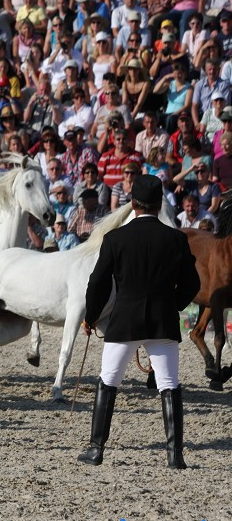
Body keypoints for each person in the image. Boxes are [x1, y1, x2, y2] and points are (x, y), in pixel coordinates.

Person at [81, 174, 200, 469]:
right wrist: (171, 306)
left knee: (108, 381)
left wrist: (91, 316)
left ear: (132, 204)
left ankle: (96, 449)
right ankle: (175, 456)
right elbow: (192, 284)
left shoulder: (115, 238)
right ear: (160, 205)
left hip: (124, 322)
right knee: (169, 385)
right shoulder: (176, 238)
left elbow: (97, 282)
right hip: (163, 322)